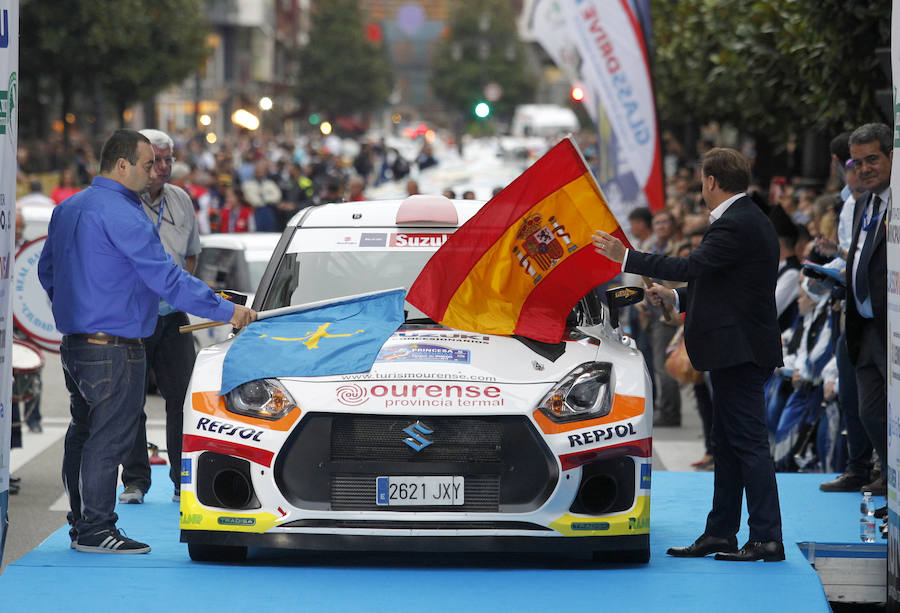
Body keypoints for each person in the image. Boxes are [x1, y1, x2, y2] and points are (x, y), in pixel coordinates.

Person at [38, 129, 256, 554]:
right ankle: (96, 528)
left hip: (77, 341)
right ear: (122, 165)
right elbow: (167, 277)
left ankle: (82, 523)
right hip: (115, 344)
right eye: (145, 164)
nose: (153, 170)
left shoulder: (68, 209)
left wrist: (78, 308)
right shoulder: (125, 213)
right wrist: (228, 310)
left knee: (82, 433)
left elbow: (48, 272)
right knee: (108, 436)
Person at [593, 147, 785, 562]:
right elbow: (720, 284)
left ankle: (766, 537)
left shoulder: (735, 224)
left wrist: (624, 256)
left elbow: (691, 266)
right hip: (737, 350)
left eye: (702, 180)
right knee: (728, 444)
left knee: (748, 445)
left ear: (711, 181)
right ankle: (721, 532)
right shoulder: (747, 220)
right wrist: (675, 297)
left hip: (740, 353)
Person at [117, 128, 203, 506]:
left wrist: (178, 287)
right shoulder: (122, 202)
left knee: (182, 399)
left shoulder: (181, 200)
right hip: (132, 316)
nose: (164, 168)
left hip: (172, 315)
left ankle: (181, 480)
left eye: (169, 160)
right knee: (130, 399)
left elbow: (191, 255)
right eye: (156, 161)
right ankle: (135, 480)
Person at [843, 123, 890, 497]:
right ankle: (890, 474)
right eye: (858, 162)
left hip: (894, 326)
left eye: (872, 159)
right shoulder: (862, 204)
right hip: (864, 328)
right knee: (869, 412)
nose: (864, 169)